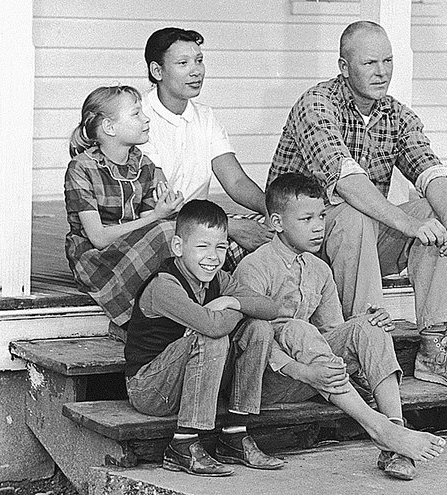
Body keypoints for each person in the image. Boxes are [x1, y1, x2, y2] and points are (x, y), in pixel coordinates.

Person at [268, 21, 447, 389]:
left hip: (357, 248)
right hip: (299, 245)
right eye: (369, 63)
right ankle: (365, 349)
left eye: (388, 61)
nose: (381, 72)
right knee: (354, 214)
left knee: (434, 214)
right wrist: (408, 224)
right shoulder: (316, 104)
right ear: (344, 66)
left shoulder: (397, 114)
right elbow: (346, 181)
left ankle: (434, 350)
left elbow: (431, 171)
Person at [234, 173, 446, 481]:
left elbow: (331, 333)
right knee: (297, 330)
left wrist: (365, 325)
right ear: (277, 222)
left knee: (370, 326)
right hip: (268, 380)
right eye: (306, 219)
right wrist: (302, 371)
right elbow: (248, 338)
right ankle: (379, 428)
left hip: (316, 376)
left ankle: (395, 437)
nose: (318, 226)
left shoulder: (319, 269)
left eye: (322, 216)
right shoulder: (255, 267)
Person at [124, 199, 285, 477]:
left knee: (259, 328)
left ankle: (235, 434)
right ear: (178, 247)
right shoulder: (164, 285)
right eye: (202, 246)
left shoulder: (218, 280)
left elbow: (270, 308)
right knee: (211, 338)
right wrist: (235, 309)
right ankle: (183, 444)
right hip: (150, 389)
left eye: (220, 247)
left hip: (190, 384)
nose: (213, 256)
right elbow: (212, 327)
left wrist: (230, 301)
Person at [140, 27, 273, 271]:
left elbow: (236, 181)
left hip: (202, 224)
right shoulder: (139, 117)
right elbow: (162, 202)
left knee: (276, 235)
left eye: (199, 60)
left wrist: (270, 210)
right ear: (157, 71)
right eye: (183, 63)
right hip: (159, 226)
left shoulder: (205, 116)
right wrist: (228, 226)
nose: (196, 71)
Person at [64, 85, 184, 327]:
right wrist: (158, 217)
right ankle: (145, 322)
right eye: (136, 114)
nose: (146, 119)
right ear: (109, 127)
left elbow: (150, 226)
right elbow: (98, 238)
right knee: (168, 232)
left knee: (184, 234)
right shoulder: (82, 168)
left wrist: (165, 211)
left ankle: (177, 311)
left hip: (133, 250)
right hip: (96, 259)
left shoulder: (144, 164)